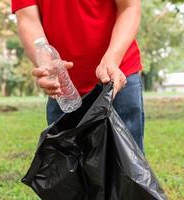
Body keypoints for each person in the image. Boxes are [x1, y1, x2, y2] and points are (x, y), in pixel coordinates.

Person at [12, 0, 144, 152]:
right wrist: (47, 66)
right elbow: (28, 20)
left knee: (126, 166)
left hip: (118, 75)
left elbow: (129, 7)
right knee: (65, 168)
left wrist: (112, 59)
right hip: (63, 90)